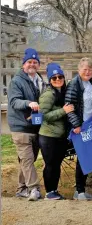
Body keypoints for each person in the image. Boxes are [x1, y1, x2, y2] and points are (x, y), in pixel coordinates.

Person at [7, 48, 46, 201]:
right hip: (20, 126)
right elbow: (14, 101)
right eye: (29, 62)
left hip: (35, 126)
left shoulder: (39, 80)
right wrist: (29, 103)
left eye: (35, 62)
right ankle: (34, 188)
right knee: (28, 159)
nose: (32, 65)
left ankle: (21, 188)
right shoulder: (16, 81)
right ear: (24, 64)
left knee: (27, 159)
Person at [38, 63, 74, 200]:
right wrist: (63, 111)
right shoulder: (48, 95)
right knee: (51, 164)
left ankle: (54, 190)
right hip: (48, 136)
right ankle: (49, 192)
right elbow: (44, 115)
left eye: (60, 77)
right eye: (54, 78)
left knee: (56, 164)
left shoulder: (62, 93)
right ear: (50, 80)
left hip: (59, 136)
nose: (58, 79)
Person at [65, 58, 92, 200]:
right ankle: (79, 192)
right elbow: (69, 107)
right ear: (79, 70)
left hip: (90, 125)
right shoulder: (74, 84)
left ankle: (82, 191)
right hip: (80, 126)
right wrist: (76, 125)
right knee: (82, 158)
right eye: (85, 69)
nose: (88, 71)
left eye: (90, 69)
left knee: (88, 156)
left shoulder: (91, 83)